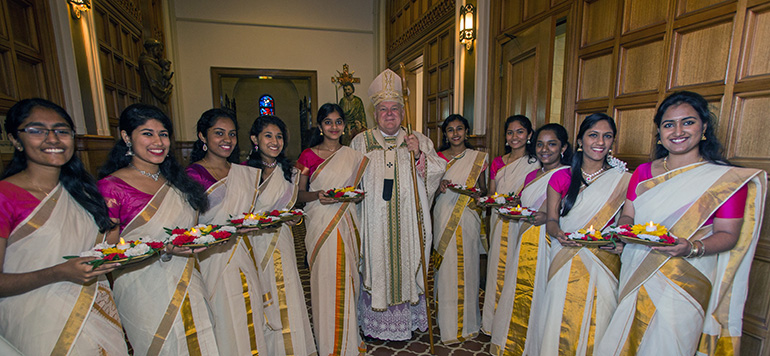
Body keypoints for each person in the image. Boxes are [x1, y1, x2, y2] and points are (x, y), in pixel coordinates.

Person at [597, 91, 766, 355]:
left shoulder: (724, 180)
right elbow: (628, 216)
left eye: (688, 122)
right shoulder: (643, 172)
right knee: (626, 341)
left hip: (686, 278)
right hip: (637, 266)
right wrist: (623, 235)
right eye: (668, 124)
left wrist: (691, 248)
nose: (678, 131)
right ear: (660, 132)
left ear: (704, 127)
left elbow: (728, 234)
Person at [0, 98, 128, 355]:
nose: (53, 139)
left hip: (96, 311)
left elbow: (100, 249)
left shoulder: (83, 192)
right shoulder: (5, 196)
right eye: (37, 130)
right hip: (37, 320)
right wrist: (58, 272)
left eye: (62, 131)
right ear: (15, 140)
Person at [98, 103, 219, 355]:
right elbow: (106, 252)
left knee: (200, 341)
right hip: (142, 288)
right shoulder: (111, 187)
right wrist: (161, 248)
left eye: (163, 134)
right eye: (147, 133)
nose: (158, 141)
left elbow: (192, 229)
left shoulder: (178, 182)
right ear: (126, 137)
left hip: (188, 279)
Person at [351, 68, 446, 340]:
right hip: (375, 222)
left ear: (403, 113)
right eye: (383, 109)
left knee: (408, 265)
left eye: (395, 109)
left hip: (408, 221)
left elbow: (437, 173)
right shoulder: (361, 141)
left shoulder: (417, 139)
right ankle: (376, 324)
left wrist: (419, 156)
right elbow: (351, 181)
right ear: (375, 113)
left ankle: (406, 322)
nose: (390, 114)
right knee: (377, 264)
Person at [538, 113, 630, 355]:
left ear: (612, 143)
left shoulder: (623, 181)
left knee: (599, 321)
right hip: (564, 256)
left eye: (607, 136)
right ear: (580, 141)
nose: (600, 142)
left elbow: (626, 225)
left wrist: (620, 243)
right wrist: (558, 233)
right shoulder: (561, 176)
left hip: (604, 260)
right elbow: (551, 221)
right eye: (593, 135)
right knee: (560, 317)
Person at [186, 108, 268, 355]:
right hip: (212, 258)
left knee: (250, 311)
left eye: (232, 134)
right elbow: (188, 224)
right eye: (219, 133)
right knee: (224, 315)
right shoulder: (192, 175)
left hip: (243, 252)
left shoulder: (241, 172)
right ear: (203, 135)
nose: (227, 140)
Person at [490, 123, 572, 356]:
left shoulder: (566, 174)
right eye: (540, 144)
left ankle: (537, 346)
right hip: (524, 235)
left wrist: (546, 215)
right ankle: (517, 343)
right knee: (520, 289)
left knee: (540, 293)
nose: (545, 149)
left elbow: (558, 210)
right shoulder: (531, 175)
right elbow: (526, 204)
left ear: (563, 147)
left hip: (547, 241)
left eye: (552, 144)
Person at [296, 103, 369, 355]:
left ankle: (350, 339)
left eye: (338, 122)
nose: (334, 127)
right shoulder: (308, 156)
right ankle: (329, 343)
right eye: (328, 122)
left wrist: (355, 197)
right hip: (320, 224)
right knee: (324, 282)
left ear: (344, 126)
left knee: (349, 280)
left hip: (347, 222)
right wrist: (317, 195)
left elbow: (357, 193)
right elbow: (299, 195)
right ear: (320, 126)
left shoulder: (353, 156)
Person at [245, 115, 316, 356]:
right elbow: (239, 213)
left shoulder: (289, 171)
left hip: (283, 240)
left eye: (279, 136)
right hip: (255, 242)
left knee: (287, 292)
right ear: (255, 139)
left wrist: (294, 217)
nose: (275, 141)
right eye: (268, 136)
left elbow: (292, 206)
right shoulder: (244, 172)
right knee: (262, 295)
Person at [481, 115, 539, 334]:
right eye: (510, 132)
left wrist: (520, 202)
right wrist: (495, 200)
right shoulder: (498, 162)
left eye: (520, 132)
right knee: (497, 268)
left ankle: (516, 322)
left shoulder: (536, 162)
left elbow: (538, 193)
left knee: (518, 267)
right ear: (505, 136)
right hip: (499, 219)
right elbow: (492, 193)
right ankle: (494, 321)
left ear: (529, 135)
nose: (515, 137)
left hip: (523, 222)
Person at [432, 114, 488, 344]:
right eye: (451, 130)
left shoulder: (478, 158)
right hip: (444, 214)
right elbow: (428, 193)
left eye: (460, 129)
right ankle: (446, 322)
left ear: (467, 131)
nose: (455, 134)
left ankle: (469, 323)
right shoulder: (436, 158)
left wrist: (478, 194)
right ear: (445, 134)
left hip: (469, 217)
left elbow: (483, 190)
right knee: (446, 269)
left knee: (469, 267)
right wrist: (439, 185)